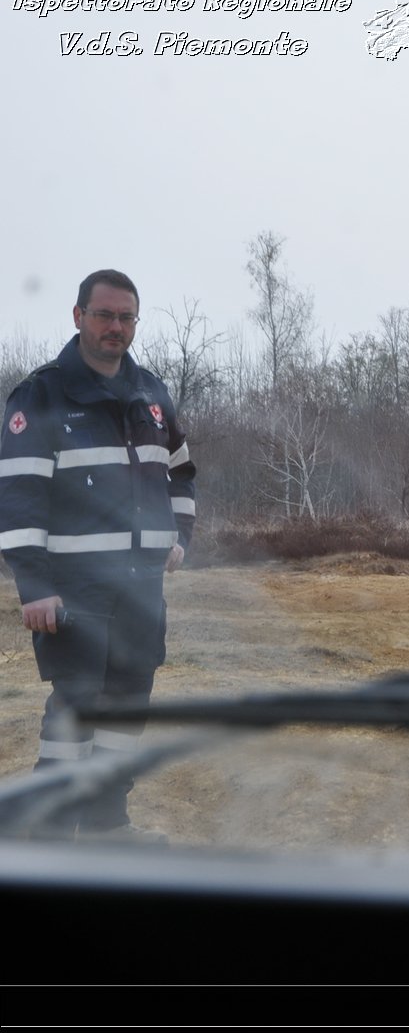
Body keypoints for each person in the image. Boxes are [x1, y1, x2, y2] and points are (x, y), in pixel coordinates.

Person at [0, 269, 197, 840]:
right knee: (78, 706)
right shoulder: (41, 395)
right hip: (74, 587)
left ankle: (108, 826)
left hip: (140, 587)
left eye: (126, 317)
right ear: (78, 316)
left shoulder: (150, 395)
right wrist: (33, 585)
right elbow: (17, 497)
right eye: (105, 314)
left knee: (128, 703)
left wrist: (180, 535)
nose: (116, 327)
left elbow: (182, 472)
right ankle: (48, 835)